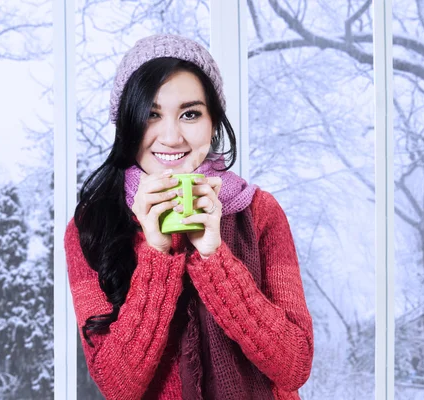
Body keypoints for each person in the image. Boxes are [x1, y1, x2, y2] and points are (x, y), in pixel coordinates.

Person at [64, 34, 313, 400]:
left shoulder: (259, 212)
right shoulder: (91, 226)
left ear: (213, 121)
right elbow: (118, 386)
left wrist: (214, 259)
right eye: (151, 114)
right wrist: (157, 254)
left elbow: (294, 366)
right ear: (125, 124)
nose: (170, 136)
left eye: (190, 114)